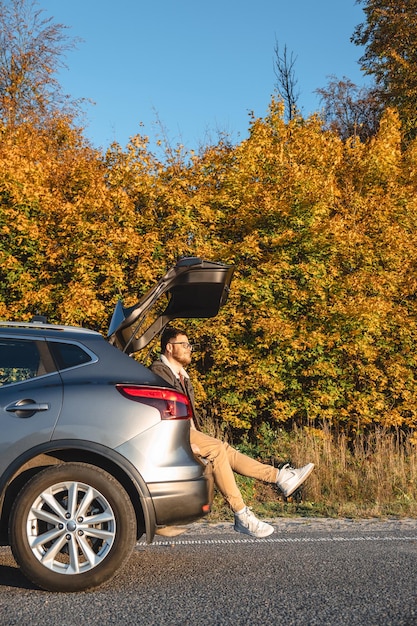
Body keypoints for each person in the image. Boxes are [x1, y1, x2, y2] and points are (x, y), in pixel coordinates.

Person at [151, 327, 314, 539]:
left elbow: (188, 416)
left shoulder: (182, 377)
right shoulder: (159, 372)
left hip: (184, 432)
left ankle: (281, 477)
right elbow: (166, 410)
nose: (190, 349)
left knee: (224, 449)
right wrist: (185, 442)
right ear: (169, 347)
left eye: (190, 345)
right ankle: (241, 513)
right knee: (218, 450)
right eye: (185, 345)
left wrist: (193, 437)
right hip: (170, 433)